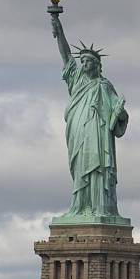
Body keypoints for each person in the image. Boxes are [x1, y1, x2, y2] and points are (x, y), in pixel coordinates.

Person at [51, 14, 129, 218]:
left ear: (96, 65)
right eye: (82, 61)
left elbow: (118, 112)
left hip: (99, 134)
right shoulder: (76, 80)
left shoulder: (104, 86)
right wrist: (57, 26)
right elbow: (66, 55)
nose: (84, 64)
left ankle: (100, 208)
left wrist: (120, 114)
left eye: (88, 62)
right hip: (78, 133)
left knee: (99, 170)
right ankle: (79, 207)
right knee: (79, 168)